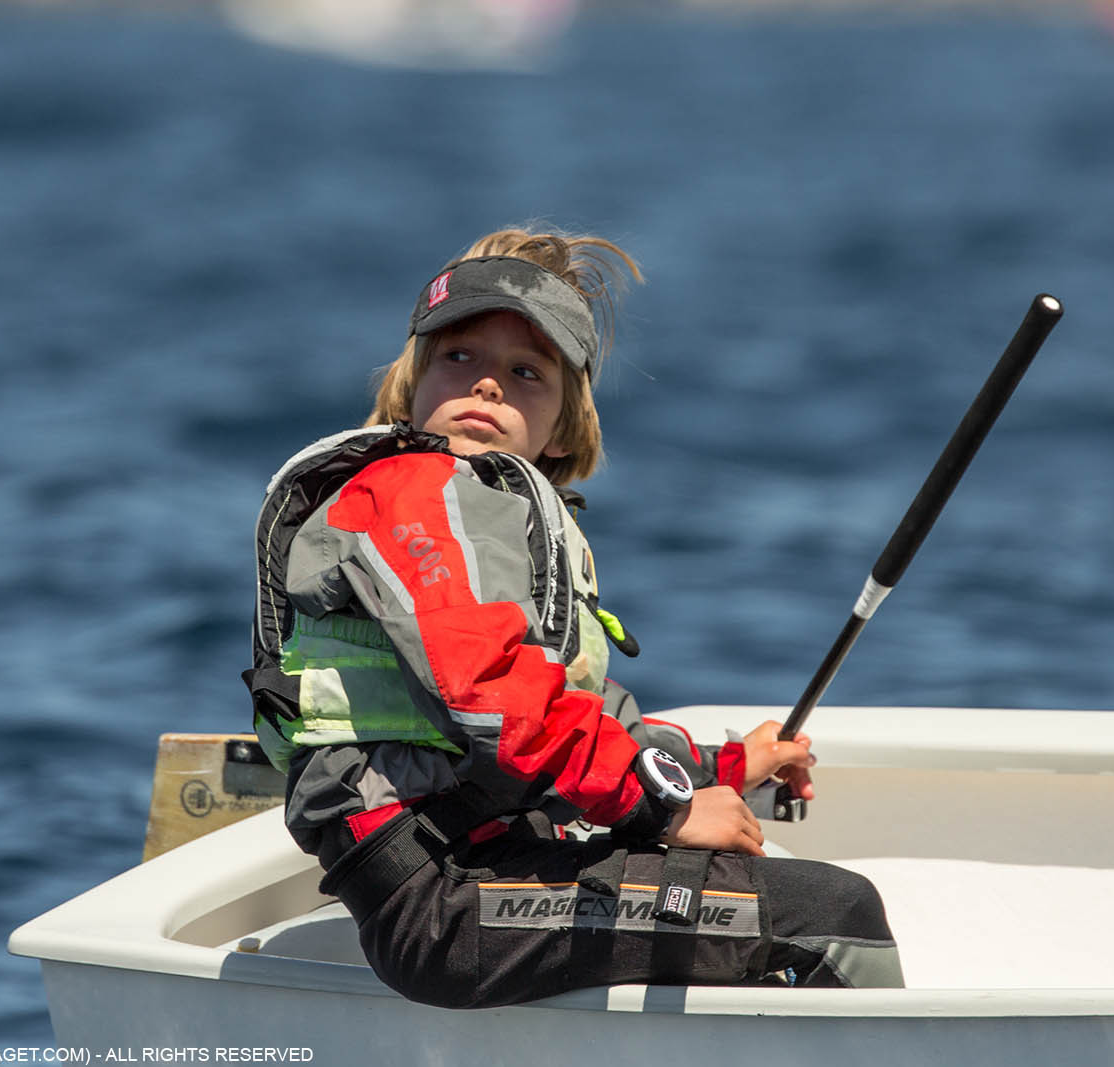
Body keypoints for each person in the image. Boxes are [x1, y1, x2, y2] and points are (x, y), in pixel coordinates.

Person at [243, 226, 903, 1008]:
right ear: (413, 381)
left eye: (526, 372)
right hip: (439, 895)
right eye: (460, 358)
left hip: (490, 861)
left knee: (774, 888)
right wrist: (670, 804)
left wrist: (724, 767)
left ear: (563, 425)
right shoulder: (414, 495)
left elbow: (582, 717)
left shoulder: (497, 521)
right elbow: (488, 689)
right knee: (835, 918)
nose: (487, 385)